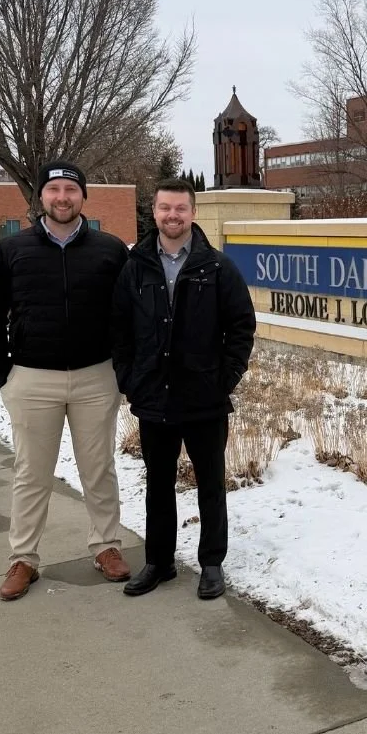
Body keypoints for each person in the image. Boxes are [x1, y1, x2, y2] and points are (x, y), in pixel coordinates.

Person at [0, 160, 132, 601]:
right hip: (32, 378)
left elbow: (126, 317)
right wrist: (4, 376)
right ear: (40, 198)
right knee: (32, 473)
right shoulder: (12, 251)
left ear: (83, 196)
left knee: (98, 468)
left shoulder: (109, 249)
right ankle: (23, 558)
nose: (62, 197)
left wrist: (120, 372)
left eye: (70, 189)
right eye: (54, 190)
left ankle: (106, 547)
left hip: (95, 376)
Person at [111, 177, 256, 599]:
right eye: (164, 208)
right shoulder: (135, 267)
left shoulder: (217, 267)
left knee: (210, 484)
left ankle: (212, 562)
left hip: (204, 399)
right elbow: (119, 330)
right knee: (157, 485)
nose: (172, 216)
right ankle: (159, 562)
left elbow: (241, 328)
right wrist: (130, 380)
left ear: (193, 213)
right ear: (153, 212)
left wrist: (224, 379)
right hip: (153, 397)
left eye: (180, 208)